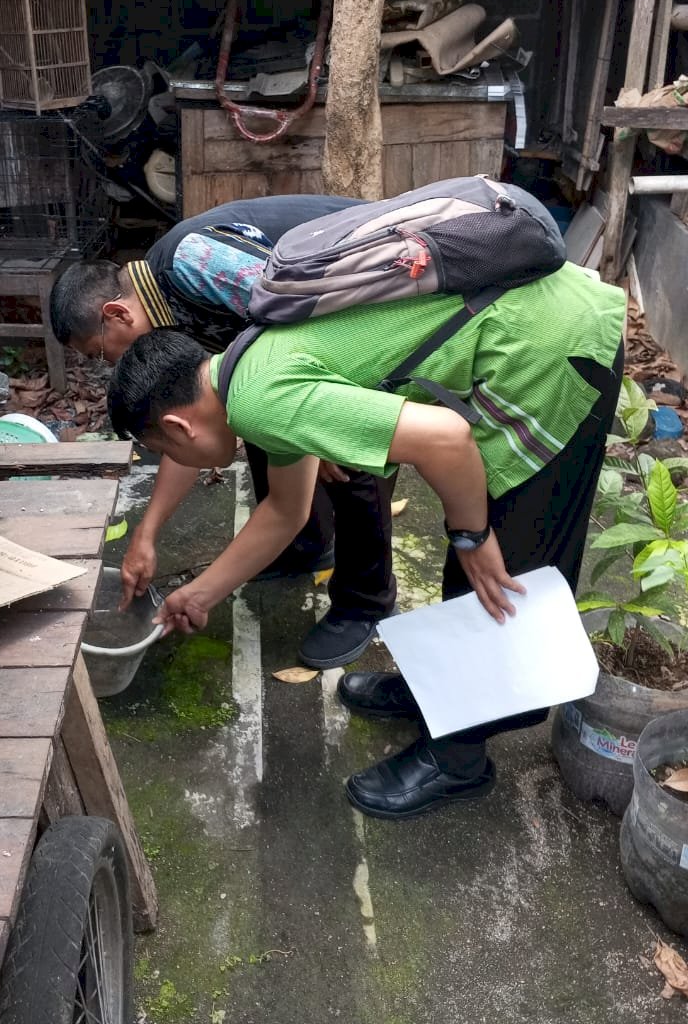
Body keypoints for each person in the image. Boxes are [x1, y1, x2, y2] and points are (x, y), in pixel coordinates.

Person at [106, 262, 626, 820]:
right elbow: (285, 511)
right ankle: (439, 696)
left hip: (556, 343)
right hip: (527, 321)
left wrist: (471, 535)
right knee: (475, 538)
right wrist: (201, 594)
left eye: (163, 450)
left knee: (499, 562)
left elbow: (447, 440)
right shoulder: (243, 370)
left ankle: (460, 758)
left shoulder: (260, 400)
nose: (172, 462)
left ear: (180, 428)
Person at [49, 195, 397, 669]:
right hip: (301, 350)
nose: (108, 364)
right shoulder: (163, 314)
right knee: (249, 412)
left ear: (117, 314)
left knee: (349, 454)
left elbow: (323, 311)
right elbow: (189, 431)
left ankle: (365, 602)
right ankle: (306, 545)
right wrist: (145, 536)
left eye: (98, 352)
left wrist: (324, 412)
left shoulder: (194, 264)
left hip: (377, 297)